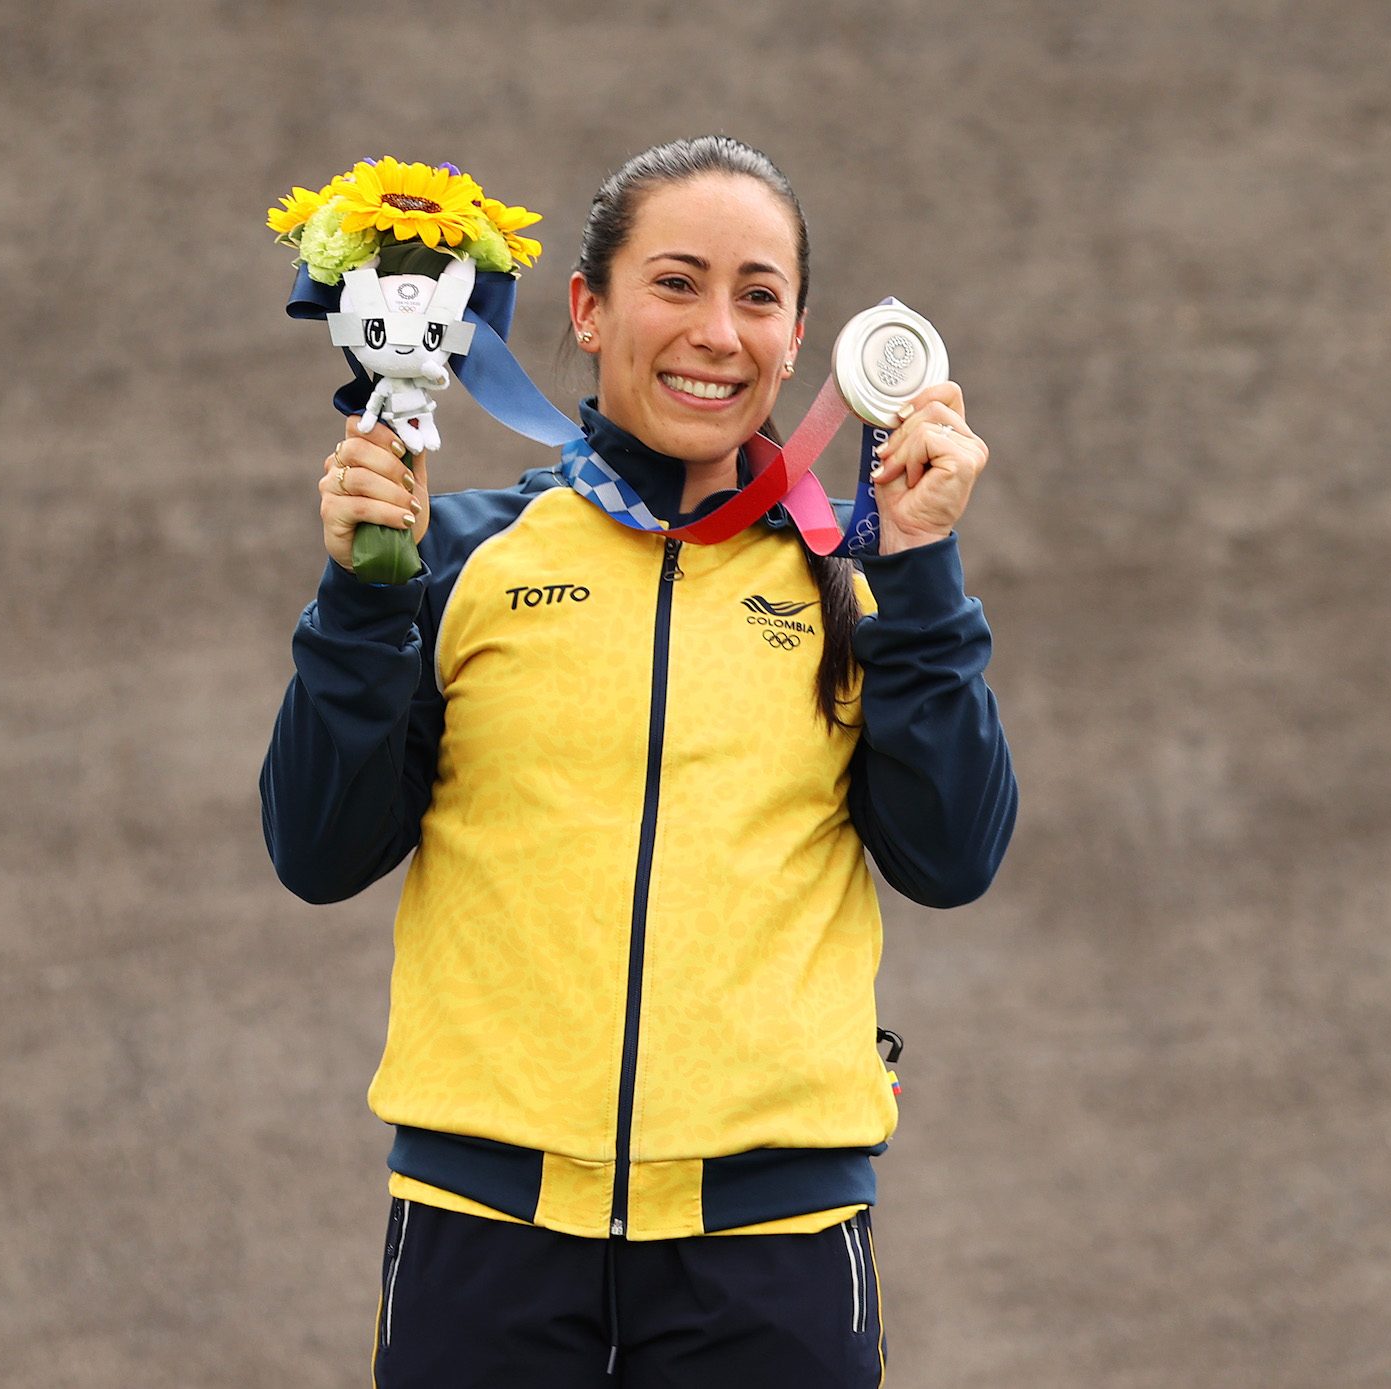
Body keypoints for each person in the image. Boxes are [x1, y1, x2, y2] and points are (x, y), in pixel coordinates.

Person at [261, 135, 1017, 1388]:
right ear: (587, 310)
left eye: (757, 295)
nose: (716, 331)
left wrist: (924, 570)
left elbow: (951, 860)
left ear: (799, 339)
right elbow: (317, 851)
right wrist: (354, 602)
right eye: (675, 282)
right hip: (486, 1235)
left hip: (768, 1252)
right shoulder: (458, 557)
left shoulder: (854, 577)